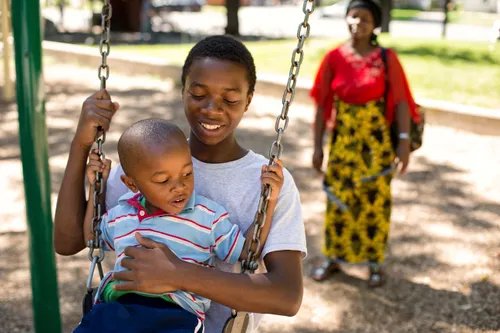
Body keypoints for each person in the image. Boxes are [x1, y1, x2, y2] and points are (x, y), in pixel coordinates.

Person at [54, 35, 307, 333]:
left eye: (230, 99)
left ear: (248, 100)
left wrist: (179, 274)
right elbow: (69, 242)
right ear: (183, 90)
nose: (212, 108)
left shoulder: (266, 182)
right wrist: (80, 145)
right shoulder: (145, 166)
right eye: (198, 94)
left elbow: (287, 296)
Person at [74, 119, 284, 332]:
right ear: (131, 184)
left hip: (176, 313)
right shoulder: (122, 214)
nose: (179, 187)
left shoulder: (207, 217)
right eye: (164, 181)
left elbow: (248, 251)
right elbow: (93, 238)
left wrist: (269, 202)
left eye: (187, 173)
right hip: (120, 306)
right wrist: (95, 188)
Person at [309, 0, 420, 287]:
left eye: (365, 18)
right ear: (346, 18)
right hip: (343, 144)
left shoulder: (386, 58)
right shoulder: (334, 57)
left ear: (375, 24)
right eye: (353, 16)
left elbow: (402, 102)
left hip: (376, 145)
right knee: (338, 199)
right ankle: (332, 257)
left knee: (375, 203)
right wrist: (317, 146)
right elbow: (322, 105)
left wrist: (404, 144)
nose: (358, 23)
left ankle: (374, 264)